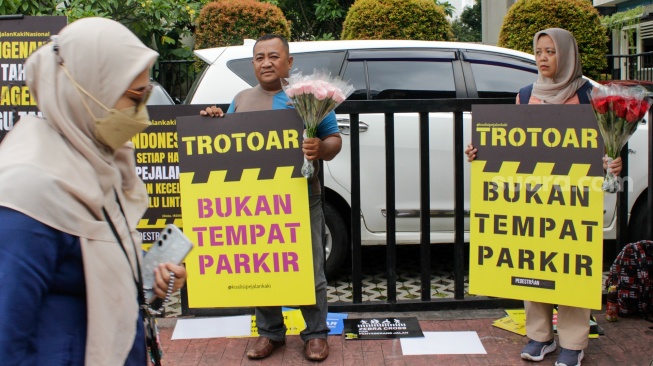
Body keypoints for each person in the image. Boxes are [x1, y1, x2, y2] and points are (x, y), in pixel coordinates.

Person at [0, 18, 187, 365]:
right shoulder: (27, 189)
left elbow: (92, 275)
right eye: (134, 97)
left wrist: (148, 282)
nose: (141, 115)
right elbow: (6, 339)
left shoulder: (95, 163)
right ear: (84, 88)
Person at [465, 28, 621, 366]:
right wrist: (481, 153)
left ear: (566, 55)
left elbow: (607, 144)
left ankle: (574, 342)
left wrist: (613, 160)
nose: (543, 58)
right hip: (532, 198)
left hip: (574, 199)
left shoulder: (589, 95)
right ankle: (539, 336)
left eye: (551, 52)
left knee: (571, 267)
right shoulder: (524, 94)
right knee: (532, 262)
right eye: (538, 52)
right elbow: (512, 142)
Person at [200, 34, 340, 361]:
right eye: (259, 57)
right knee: (262, 270)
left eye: (274, 56)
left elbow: (333, 139)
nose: (266, 62)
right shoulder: (241, 99)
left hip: (303, 198)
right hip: (256, 204)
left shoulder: (309, 98)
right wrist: (212, 123)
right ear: (253, 64)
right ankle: (270, 333)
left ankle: (316, 334)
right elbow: (226, 145)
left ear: (289, 62)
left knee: (311, 270)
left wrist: (320, 148)